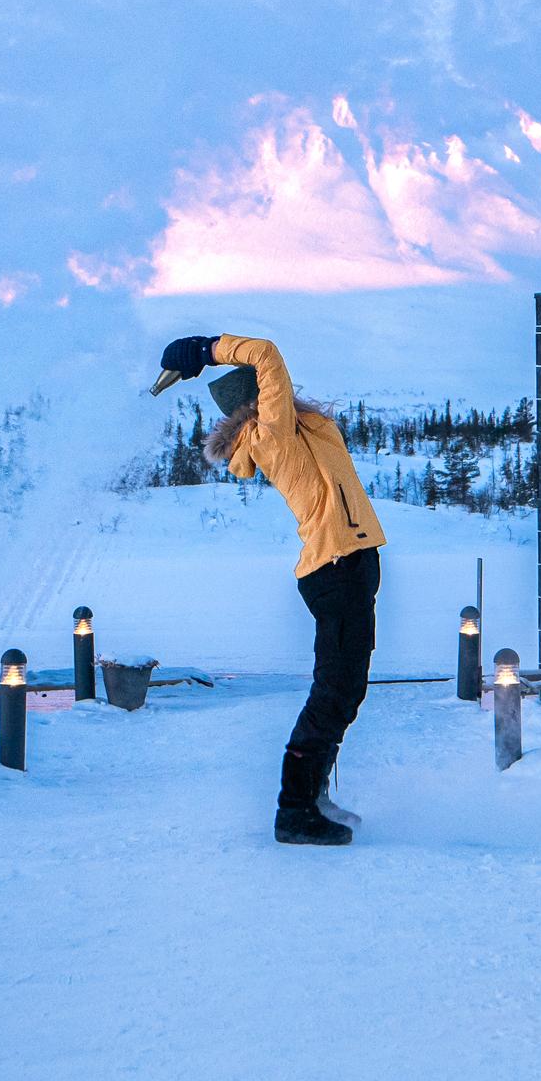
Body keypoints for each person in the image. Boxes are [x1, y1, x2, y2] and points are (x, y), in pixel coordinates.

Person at [152, 331, 384, 845]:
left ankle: (314, 797)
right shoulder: (273, 434)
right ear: (258, 402)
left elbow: (315, 419)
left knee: (345, 693)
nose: (287, 392)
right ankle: (295, 810)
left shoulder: (303, 432)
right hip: (336, 568)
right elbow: (267, 352)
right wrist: (205, 350)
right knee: (334, 694)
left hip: (349, 566)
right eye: (273, 391)